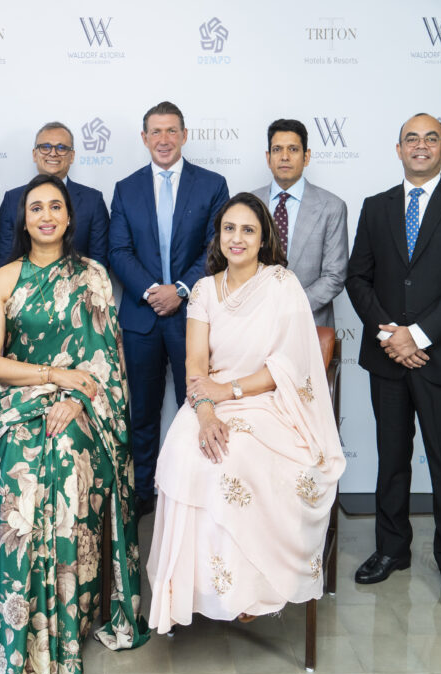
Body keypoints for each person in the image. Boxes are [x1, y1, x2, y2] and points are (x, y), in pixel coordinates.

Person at [0, 174, 149, 674]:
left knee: (67, 455)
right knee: (18, 462)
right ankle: (14, 627)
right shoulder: (5, 277)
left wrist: (81, 399)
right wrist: (53, 378)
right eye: (35, 208)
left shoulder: (92, 275)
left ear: (70, 219)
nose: (46, 215)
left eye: (55, 207)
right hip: (14, 403)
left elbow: (106, 365)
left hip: (83, 404)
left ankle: (66, 634)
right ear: (23, 221)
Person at [146, 192, 345, 629]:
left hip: (266, 402)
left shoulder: (281, 284)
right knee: (184, 453)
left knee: (232, 460)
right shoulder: (203, 290)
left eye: (248, 230)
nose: (237, 238)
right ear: (218, 237)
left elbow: (286, 368)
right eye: (229, 229)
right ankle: (196, 590)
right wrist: (204, 412)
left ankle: (248, 589)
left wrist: (228, 390)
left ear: (263, 238)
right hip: (207, 399)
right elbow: (195, 365)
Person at [346, 113, 441, 616]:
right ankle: (392, 549)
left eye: (431, 138)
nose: (421, 146)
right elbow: (357, 278)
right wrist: (392, 334)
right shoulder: (376, 207)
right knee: (391, 459)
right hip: (389, 358)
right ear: (398, 148)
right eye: (412, 138)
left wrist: (418, 335)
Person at [108, 101, 230, 520]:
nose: (163, 139)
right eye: (155, 132)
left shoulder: (212, 184)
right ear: (144, 138)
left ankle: (194, 490)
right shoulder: (126, 188)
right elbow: (117, 251)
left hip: (192, 317)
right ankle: (142, 492)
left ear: (184, 135)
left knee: (195, 406)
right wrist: (150, 291)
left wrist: (179, 289)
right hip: (141, 319)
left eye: (171, 131)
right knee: (140, 411)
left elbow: (215, 248)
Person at [251, 118, 348, 326]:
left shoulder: (331, 206)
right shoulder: (248, 204)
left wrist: (290, 307)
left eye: (293, 149)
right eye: (277, 149)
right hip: (254, 322)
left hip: (309, 323)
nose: (284, 156)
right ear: (268, 158)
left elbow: (334, 276)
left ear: (306, 157)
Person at [0, 122, 109, 269]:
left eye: (61, 148)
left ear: (72, 156)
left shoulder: (93, 201)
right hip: (25, 289)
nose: (53, 153)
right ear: (35, 154)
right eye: (45, 147)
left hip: (80, 289)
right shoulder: (12, 199)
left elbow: (99, 262)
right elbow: (4, 259)